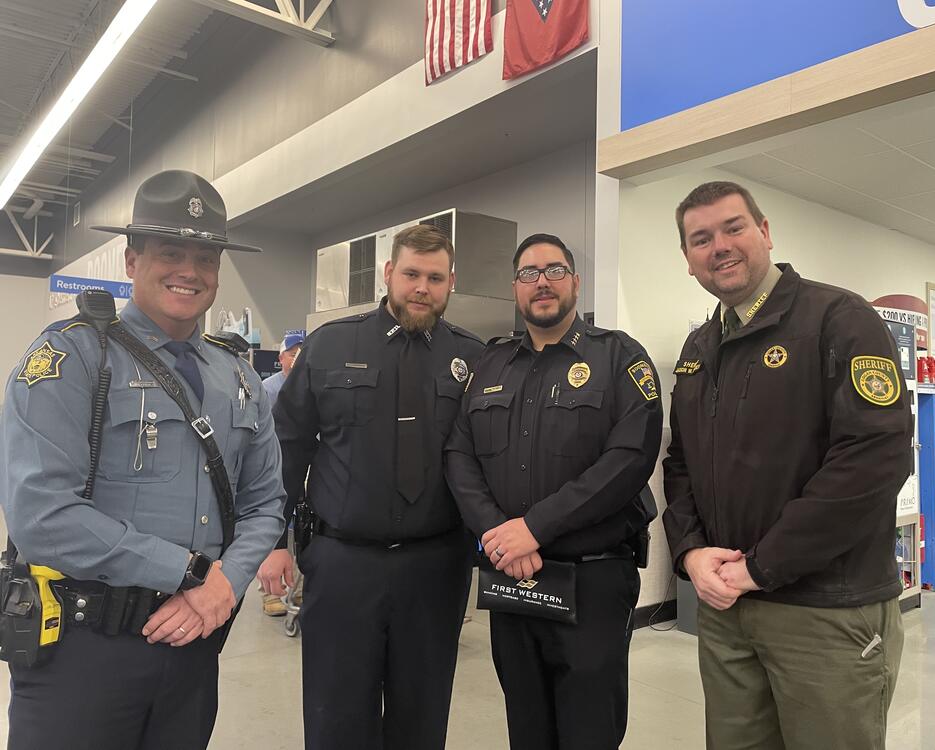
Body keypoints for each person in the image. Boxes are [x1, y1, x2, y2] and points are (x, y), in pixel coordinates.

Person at [0, 169, 286, 750]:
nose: (190, 270)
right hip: (80, 654)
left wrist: (222, 586)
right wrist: (189, 573)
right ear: (131, 261)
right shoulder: (71, 358)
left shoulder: (238, 376)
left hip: (192, 650)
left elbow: (265, 502)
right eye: (169, 251)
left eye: (205, 257)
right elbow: (41, 516)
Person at [661, 181, 911, 749]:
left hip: (824, 609)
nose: (719, 246)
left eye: (733, 228)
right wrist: (691, 552)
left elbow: (874, 459)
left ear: (765, 232)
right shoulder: (698, 348)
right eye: (701, 238)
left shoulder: (839, 319)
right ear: (687, 258)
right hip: (725, 607)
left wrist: (762, 566)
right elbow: (682, 465)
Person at [445, 233, 663, 750]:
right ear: (515, 289)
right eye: (528, 273)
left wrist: (532, 530)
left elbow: (629, 459)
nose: (541, 282)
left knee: (590, 729)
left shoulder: (619, 357)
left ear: (575, 282)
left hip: (591, 580)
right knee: (527, 725)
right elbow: (459, 454)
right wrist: (498, 534)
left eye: (554, 270)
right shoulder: (489, 364)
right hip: (512, 581)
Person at [271, 224, 484, 749]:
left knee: (423, 714)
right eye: (411, 273)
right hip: (344, 563)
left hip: (436, 567)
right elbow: (286, 446)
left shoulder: (474, 359)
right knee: (336, 716)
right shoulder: (331, 345)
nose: (422, 288)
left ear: (450, 282)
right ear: (389, 273)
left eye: (435, 278)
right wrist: (276, 544)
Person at [258, 331, 304, 616]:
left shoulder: (311, 388)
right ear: (281, 357)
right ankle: (270, 592)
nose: (297, 358)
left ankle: (295, 587)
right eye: (292, 353)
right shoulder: (267, 389)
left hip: (303, 466)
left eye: (303, 352)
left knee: (300, 530)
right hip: (273, 466)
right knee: (274, 524)